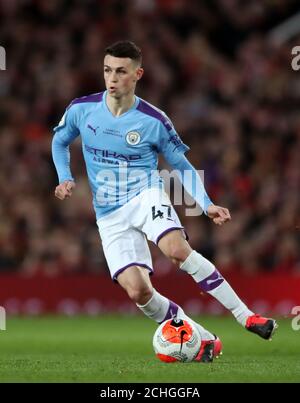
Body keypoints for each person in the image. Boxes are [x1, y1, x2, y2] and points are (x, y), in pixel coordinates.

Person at [52, 40, 277, 362]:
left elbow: (181, 166)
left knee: (175, 250)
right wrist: (64, 177)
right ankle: (201, 336)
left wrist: (206, 203)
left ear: (137, 74)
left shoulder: (152, 120)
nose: (112, 78)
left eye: (120, 71)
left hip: (145, 195)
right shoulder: (81, 109)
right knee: (138, 291)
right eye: (107, 70)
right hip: (108, 213)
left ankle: (246, 316)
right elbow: (59, 141)